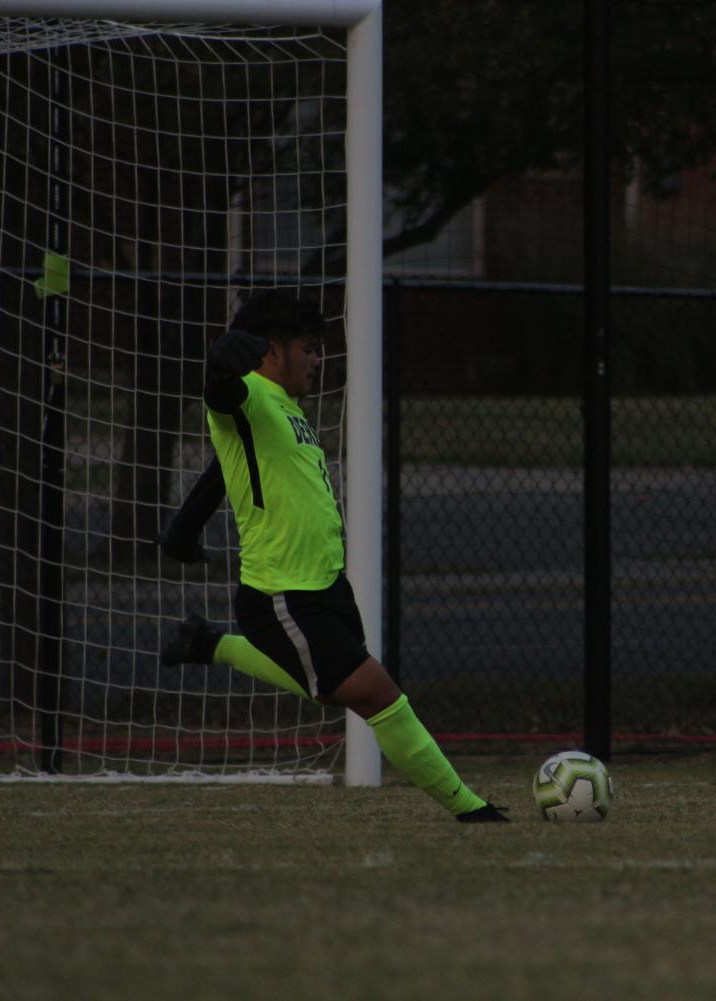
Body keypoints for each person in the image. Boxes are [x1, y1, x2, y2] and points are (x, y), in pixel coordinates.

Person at [160, 290, 507, 822]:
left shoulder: (283, 408)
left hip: (324, 585)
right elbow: (220, 395)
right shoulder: (248, 394)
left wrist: (182, 532)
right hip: (283, 593)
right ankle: (470, 809)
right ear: (270, 350)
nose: (319, 360)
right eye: (309, 348)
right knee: (377, 694)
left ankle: (209, 644)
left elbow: (219, 474)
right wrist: (222, 359)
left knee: (333, 690)